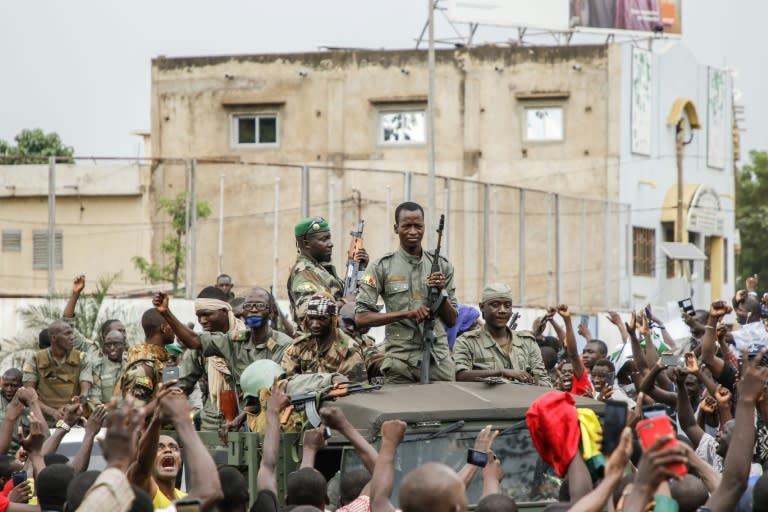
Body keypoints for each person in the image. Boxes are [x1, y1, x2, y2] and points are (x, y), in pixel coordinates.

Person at [154, 288, 293, 430]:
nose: (253, 310)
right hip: (233, 424)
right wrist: (166, 312)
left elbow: (276, 389)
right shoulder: (234, 341)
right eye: (248, 306)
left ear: (271, 312)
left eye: (260, 306)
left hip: (269, 423)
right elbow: (195, 341)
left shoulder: (284, 344)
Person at [356, 202, 458, 384]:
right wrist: (407, 314)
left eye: (418, 226)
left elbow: (452, 320)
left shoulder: (442, 266)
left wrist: (441, 293)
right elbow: (361, 318)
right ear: (396, 229)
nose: (413, 231)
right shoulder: (381, 267)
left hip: (439, 362)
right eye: (406, 226)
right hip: (400, 363)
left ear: (424, 228)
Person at [453, 283, 550, 386]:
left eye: (507, 306)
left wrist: (537, 382)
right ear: (482, 307)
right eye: (495, 305)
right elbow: (459, 375)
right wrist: (500, 372)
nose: (502, 310)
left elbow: (543, 379)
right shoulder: (467, 342)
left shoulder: (527, 342)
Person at [287, 216, 369, 325]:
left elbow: (345, 294)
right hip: (317, 341)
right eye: (324, 239)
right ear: (306, 243)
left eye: (329, 238)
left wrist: (360, 269)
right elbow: (308, 311)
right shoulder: (303, 272)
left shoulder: (320, 269)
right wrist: (345, 302)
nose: (331, 244)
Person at [282, 294, 368, 382]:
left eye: (321, 319)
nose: (315, 324)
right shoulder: (299, 346)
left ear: (333, 320)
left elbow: (356, 390)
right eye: (311, 318)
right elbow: (285, 383)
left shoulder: (348, 350)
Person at [22, 320, 92, 425]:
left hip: (72, 420)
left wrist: (74, 407)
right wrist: (53, 412)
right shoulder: (35, 359)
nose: (72, 337)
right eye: (67, 334)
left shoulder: (82, 358)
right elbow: (29, 395)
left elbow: (85, 391)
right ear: (54, 338)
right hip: (43, 421)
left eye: (72, 333)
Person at [116, 309, 174, 406]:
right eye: (171, 325)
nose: (175, 329)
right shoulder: (143, 367)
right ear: (163, 328)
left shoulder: (161, 361)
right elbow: (136, 412)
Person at [83, 329, 126, 404]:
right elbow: (95, 397)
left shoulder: (133, 364)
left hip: (130, 412)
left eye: (116, 344)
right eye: (108, 345)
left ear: (123, 345)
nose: (112, 347)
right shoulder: (98, 367)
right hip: (106, 412)